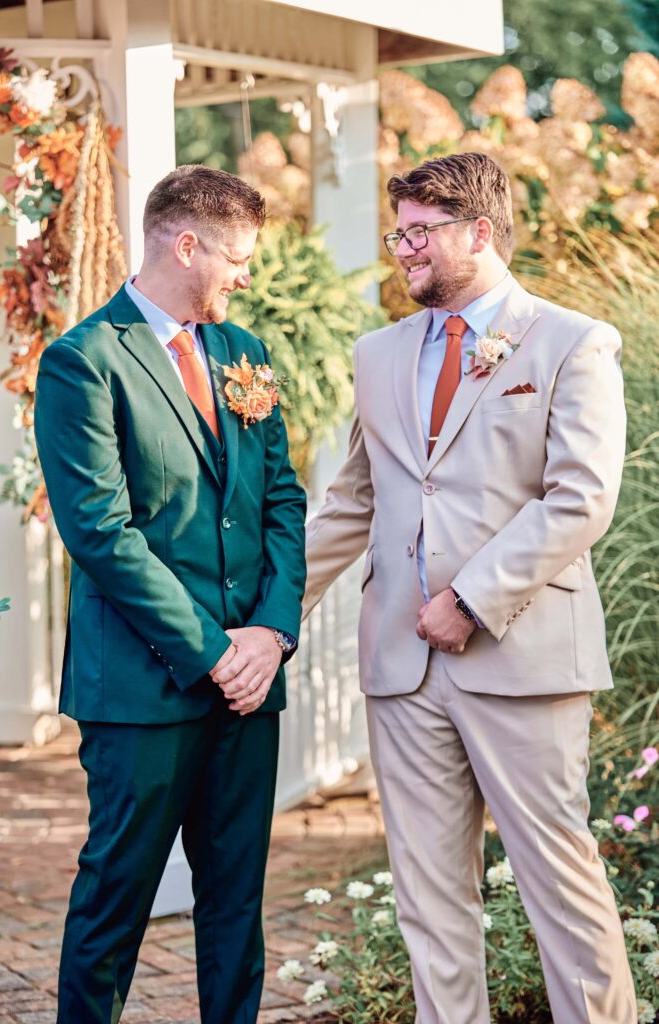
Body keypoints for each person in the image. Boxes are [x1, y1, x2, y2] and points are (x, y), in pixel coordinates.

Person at [303, 152, 636, 1023]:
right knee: (428, 899)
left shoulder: (572, 342)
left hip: (522, 655)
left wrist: (472, 600)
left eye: (419, 233)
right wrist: (267, 615)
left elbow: (581, 498)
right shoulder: (376, 355)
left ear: (479, 232)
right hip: (400, 667)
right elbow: (352, 502)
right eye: (397, 233)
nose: (402, 250)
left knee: (558, 883)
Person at [35, 164, 307, 1024]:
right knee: (114, 905)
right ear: (184, 244)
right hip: (144, 691)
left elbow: (282, 502)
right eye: (239, 257)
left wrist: (268, 632)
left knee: (235, 907)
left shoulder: (243, 354)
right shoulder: (84, 361)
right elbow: (101, 536)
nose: (246, 277)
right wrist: (214, 650)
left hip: (248, 686)